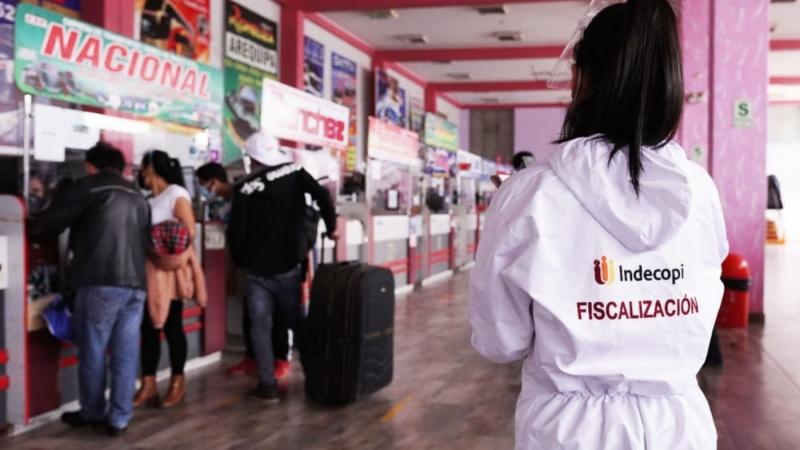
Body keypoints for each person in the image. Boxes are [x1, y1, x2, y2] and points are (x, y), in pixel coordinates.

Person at [469, 1, 729, 449]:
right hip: (680, 428)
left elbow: (500, 340)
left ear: (579, 80)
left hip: (567, 433)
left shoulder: (529, 195)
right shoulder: (701, 192)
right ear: (670, 84)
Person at [28, 142, 150, 437]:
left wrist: (30, 226)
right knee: (125, 352)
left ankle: (92, 411)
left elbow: (50, 222)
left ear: (91, 165)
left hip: (100, 281)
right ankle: (119, 418)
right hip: (136, 285)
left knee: (94, 349)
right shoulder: (137, 195)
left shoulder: (90, 187)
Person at [227, 132, 337, 403]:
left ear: (252, 159)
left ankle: (267, 386)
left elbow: (236, 233)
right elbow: (323, 196)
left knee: (260, 327)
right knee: (297, 324)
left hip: (256, 271)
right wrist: (331, 227)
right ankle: (315, 381)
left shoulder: (243, 188)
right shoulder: (295, 172)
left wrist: (240, 263)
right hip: (288, 266)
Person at [194, 162, 292, 380]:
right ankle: (252, 357)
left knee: (275, 312)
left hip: (271, 260)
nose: (203, 189)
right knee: (250, 311)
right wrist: (234, 269)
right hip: (248, 263)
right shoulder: (223, 203)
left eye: (202, 183)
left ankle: (281, 359)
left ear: (213, 181)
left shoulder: (250, 195)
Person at [134, 150, 206, 409]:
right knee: (149, 326)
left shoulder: (176, 194)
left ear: (150, 169)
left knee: (172, 324)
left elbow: (189, 232)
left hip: (170, 270)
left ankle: (177, 381)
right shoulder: (148, 199)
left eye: (143, 167)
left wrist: (162, 246)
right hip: (149, 269)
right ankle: (149, 383)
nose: (140, 173)